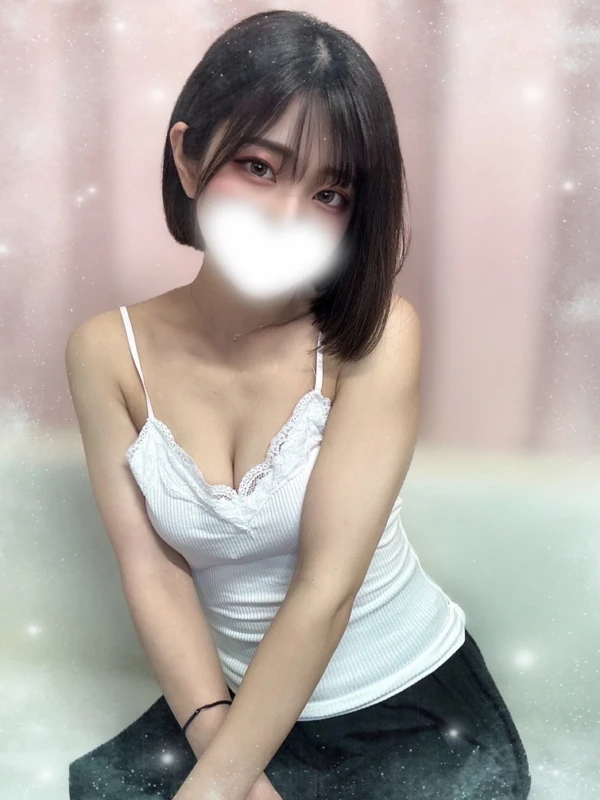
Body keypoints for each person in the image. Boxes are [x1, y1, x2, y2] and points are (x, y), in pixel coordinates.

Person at [66, 9, 531, 800]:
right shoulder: (107, 353)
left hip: (405, 712)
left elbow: (326, 589)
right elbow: (154, 573)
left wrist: (214, 789)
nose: (286, 217)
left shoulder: (376, 335)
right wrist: (226, 762)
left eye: (329, 192)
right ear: (187, 157)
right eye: (258, 167)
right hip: (236, 704)